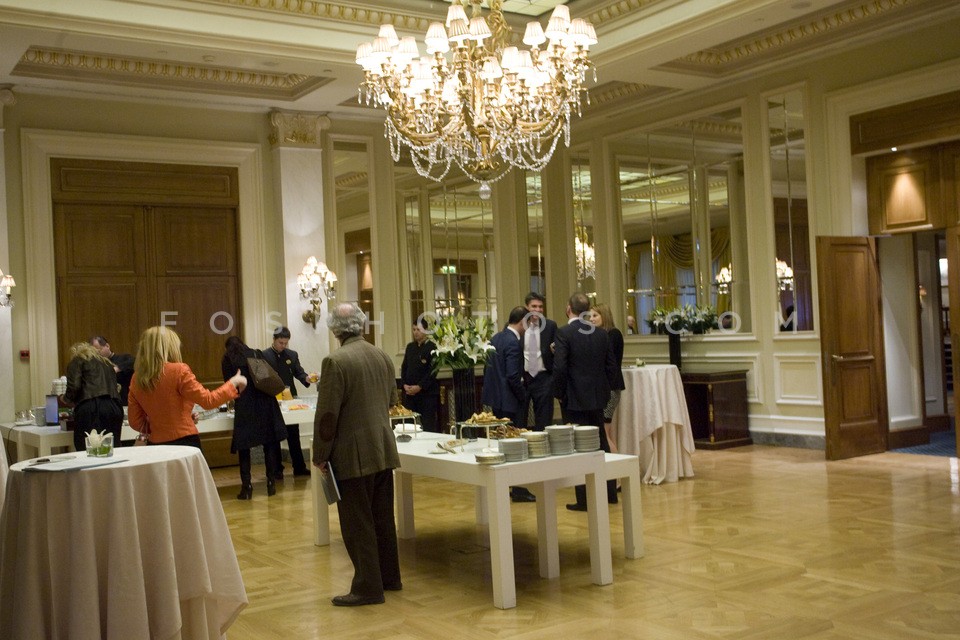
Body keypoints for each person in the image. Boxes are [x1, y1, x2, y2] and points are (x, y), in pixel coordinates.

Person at [313, 303, 401, 607]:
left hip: (352, 454)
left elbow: (327, 416)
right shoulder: (382, 356)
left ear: (335, 329)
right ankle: (389, 578)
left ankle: (367, 587)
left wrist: (319, 454)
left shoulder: (335, 361)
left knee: (357, 523)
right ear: (361, 325)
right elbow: (392, 401)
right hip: (383, 448)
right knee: (383, 518)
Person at [553, 292, 619, 511]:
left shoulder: (564, 332)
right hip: (598, 397)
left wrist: (559, 393)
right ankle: (610, 493)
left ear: (568, 309)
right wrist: (604, 391)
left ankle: (584, 500)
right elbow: (611, 367)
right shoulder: (601, 334)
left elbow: (560, 367)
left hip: (574, 398)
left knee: (578, 447)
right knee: (601, 444)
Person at [128, 326, 244, 448]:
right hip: (184, 442)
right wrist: (233, 383)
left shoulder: (136, 378)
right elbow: (208, 401)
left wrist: (161, 425)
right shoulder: (179, 371)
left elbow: (135, 422)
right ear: (170, 347)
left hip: (156, 445)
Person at [222, 336, 286, 500]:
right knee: (269, 443)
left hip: (245, 404)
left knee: (244, 447)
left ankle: (247, 487)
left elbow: (229, 384)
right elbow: (265, 377)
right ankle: (271, 483)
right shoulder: (256, 353)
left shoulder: (228, 359)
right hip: (265, 402)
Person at [482, 306, 533, 502]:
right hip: (511, 401)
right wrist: (523, 396)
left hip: (497, 400)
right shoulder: (513, 342)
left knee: (501, 443)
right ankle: (518, 489)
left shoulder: (496, 338)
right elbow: (513, 376)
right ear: (522, 322)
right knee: (516, 445)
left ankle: (503, 486)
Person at [263, 326, 317, 478]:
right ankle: (276, 470)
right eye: (281, 343)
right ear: (274, 340)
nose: (283, 346)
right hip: (272, 400)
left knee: (294, 434)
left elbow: (299, 372)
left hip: (290, 400)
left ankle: (299, 467)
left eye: (286, 343)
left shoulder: (292, 355)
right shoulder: (264, 355)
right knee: (274, 436)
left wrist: (307, 378)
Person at [60, 341, 123, 452]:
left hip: (91, 407)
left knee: (87, 450)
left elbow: (74, 386)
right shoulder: (107, 363)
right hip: (114, 407)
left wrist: (64, 399)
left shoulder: (77, 360)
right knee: (111, 449)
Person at [518, 292, 557, 431]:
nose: (538, 310)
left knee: (544, 421)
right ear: (526, 307)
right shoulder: (519, 325)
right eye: (534, 306)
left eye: (540, 306)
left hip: (543, 378)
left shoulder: (550, 326)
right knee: (519, 420)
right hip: (523, 378)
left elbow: (556, 350)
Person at [589, 303, 626, 426]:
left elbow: (609, 362)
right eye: (590, 316)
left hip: (610, 388)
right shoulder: (598, 335)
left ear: (604, 316)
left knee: (605, 427)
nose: (591, 319)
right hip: (601, 388)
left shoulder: (614, 334)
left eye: (595, 315)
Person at [399, 318, 439, 432]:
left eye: (419, 330)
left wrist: (420, 386)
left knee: (428, 426)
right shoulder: (410, 347)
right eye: (414, 329)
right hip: (410, 394)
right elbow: (404, 367)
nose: (416, 332)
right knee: (409, 426)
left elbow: (433, 371)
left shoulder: (432, 347)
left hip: (427, 395)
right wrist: (404, 384)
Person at [90, 335, 135, 405]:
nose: (97, 354)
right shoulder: (96, 366)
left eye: (99, 350)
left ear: (107, 346)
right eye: (95, 353)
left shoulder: (124, 358)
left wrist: (117, 368)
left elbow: (134, 362)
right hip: (109, 404)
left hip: (125, 401)